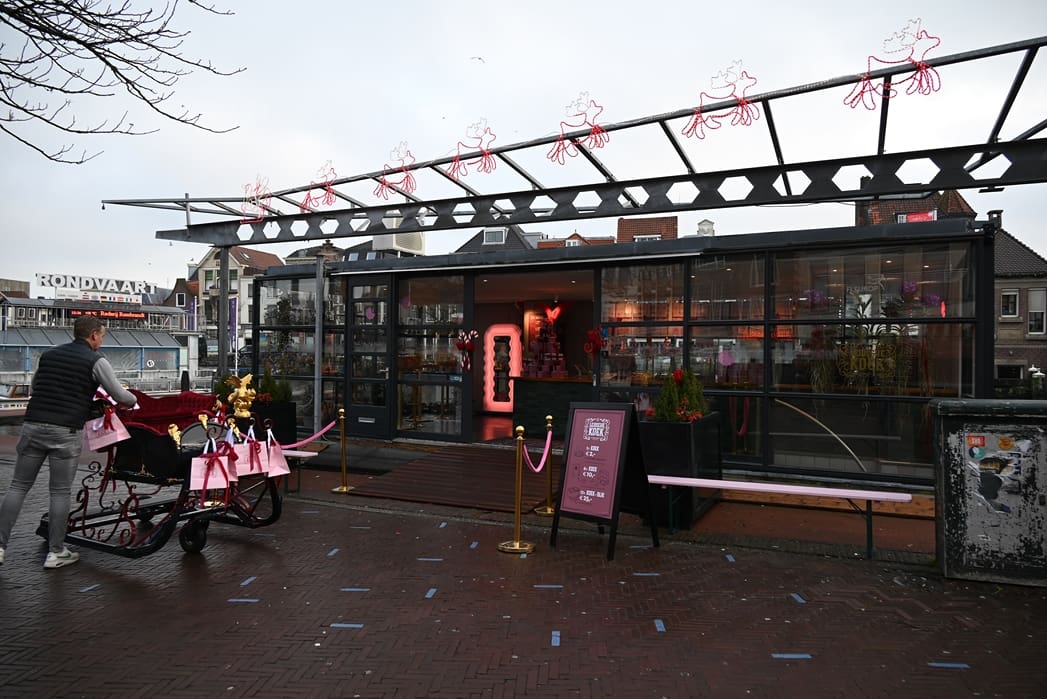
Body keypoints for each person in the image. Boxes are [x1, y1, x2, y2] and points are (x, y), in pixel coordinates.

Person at [0, 316, 137, 569]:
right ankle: (56, 552)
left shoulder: (50, 355)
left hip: (33, 425)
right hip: (65, 430)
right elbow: (120, 395)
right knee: (59, 492)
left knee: (18, 486)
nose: (101, 340)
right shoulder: (96, 360)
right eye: (102, 336)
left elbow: (35, 386)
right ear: (93, 335)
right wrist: (134, 400)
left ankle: (0, 546)